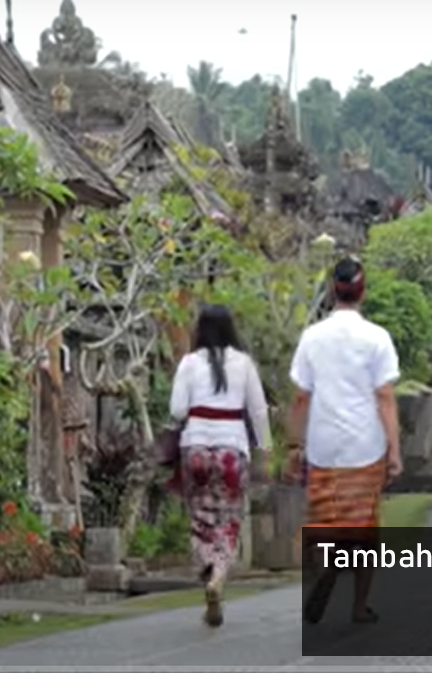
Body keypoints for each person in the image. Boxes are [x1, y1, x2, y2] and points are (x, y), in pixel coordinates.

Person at [286, 257, 402, 626]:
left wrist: (293, 446)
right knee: (366, 528)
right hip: (364, 446)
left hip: (323, 445)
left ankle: (326, 567)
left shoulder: (311, 338)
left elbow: (301, 397)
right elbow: (384, 396)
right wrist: (395, 449)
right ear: (362, 291)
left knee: (325, 518)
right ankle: (359, 604)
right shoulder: (377, 338)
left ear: (331, 291)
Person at [168, 304, 272, 628]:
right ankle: (219, 577)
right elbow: (258, 411)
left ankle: (207, 570)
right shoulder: (243, 364)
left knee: (201, 520)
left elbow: (176, 409)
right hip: (232, 450)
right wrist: (265, 449)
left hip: (196, 448)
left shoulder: (188, 363)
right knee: (228, 521)